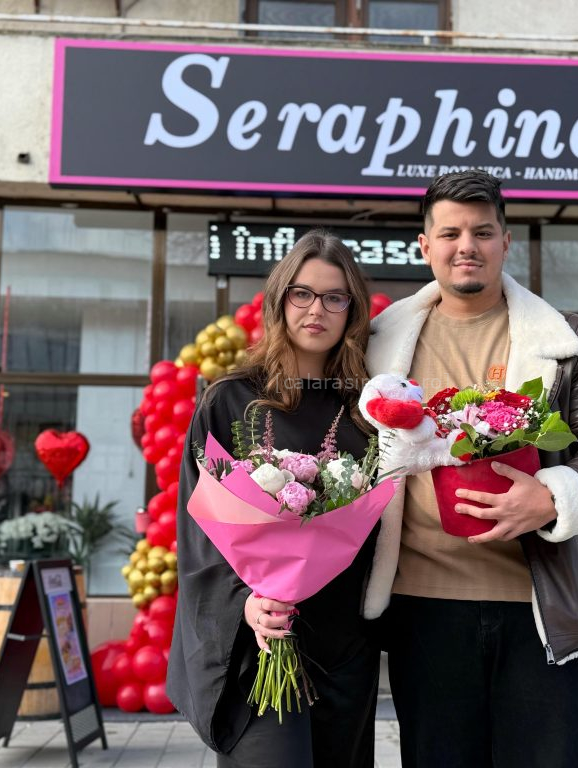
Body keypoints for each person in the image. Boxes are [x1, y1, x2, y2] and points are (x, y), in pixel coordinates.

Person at [364, 170, 578, 768]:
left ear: (505, 242)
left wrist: (554, 497)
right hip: (422, 608)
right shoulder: (377, 343)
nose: (467, 246)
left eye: (483, 232)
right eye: (450, 233)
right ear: (425, 246)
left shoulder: (571, 340)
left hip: (541, 608)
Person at [167, 230, 380, 768]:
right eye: (302, 293)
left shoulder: (366, 411)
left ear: (352, 310)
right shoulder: (231, 401)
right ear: (280, 300)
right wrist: (245, 603)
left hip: (343, 646)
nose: (317, 309)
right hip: (259, 642)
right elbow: (199, 530)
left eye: (335, 297)